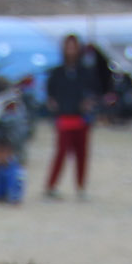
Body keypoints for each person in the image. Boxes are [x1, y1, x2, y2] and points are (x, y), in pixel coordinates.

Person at [43, 33, 93, 200]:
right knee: (61, 152)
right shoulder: (57, 73)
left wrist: (88, 103)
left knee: (82, 154)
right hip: (64, 117)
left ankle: (80, 187)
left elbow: (93, 91)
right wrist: (54, 105)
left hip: (81, 118)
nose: (71, 50)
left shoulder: (85, 72)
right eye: (68, 46)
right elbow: (50, 93)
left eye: (74, 46)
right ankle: (51, 186)